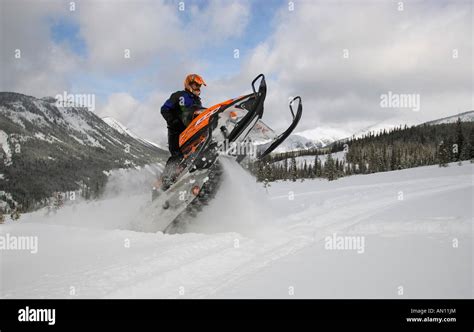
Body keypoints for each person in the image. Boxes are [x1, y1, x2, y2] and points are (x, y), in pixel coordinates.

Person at [159, 74, 207, 188]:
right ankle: (165, 180)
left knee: (193, 151)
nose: (198, 88)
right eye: (196, 85)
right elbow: (164, 109)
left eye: (199, 86)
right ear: (189, 84)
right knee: (177, 155)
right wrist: (172, 121)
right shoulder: (179, 95)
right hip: (176, 130)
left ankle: (192, 173)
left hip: (190, 131)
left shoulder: (198, 101)